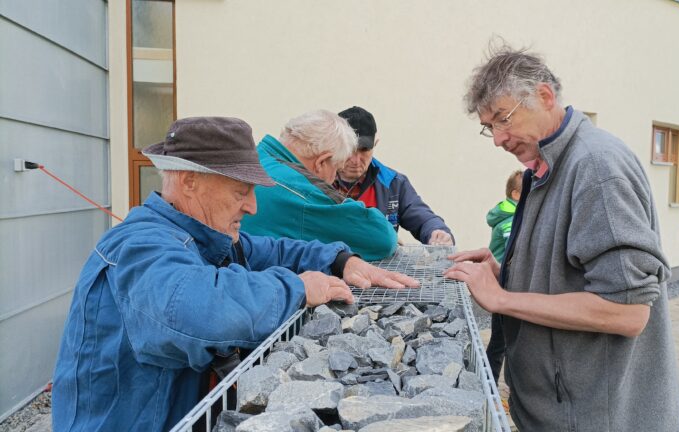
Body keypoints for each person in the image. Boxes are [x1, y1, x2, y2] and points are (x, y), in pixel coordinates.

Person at [52, 117, 418, 431]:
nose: (253, 206)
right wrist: (298, 288)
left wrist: (340, 259)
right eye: (241, 191)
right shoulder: (139, 246)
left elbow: (272, 249)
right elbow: (197, 309)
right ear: (189, 181)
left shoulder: (203, 235)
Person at [445, 47, 679, 431]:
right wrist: (502, 269)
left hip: (596, 419)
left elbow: (627, 312)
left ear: (545, 96)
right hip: (561, 412)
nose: (498, 139)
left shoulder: (595, 168)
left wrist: (501, 298)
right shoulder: (546, 165)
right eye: (489, 126)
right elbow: (563, 269)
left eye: (503, 119)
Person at [240, 110, 398, 261]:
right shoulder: (301, 192)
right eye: (336, 170)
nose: (333, 180)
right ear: (322, 162)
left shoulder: (258, 158)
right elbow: (382, 237)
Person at [333, 106, 454, 246]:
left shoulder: (394, 183)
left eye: (364, 150)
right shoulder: (315, 180)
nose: (356, 160)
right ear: (335, 145)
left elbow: (423, 218)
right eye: (350, 149)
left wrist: (437, 232)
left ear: (375, 144)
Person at [484, 169, 522, 386]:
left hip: (507, 285)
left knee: (505, 341)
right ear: (516, 195)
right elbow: (516, 250)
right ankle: (490, 388)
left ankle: (496, 388)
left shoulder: (510, 213)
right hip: (504, 285)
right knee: (502, 341)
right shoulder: (509, 220)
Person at [487, 170, 523, 262]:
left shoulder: (508, 214)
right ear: (516, 194)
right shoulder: (510, 221)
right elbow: (514, 252)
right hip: (501, 272)